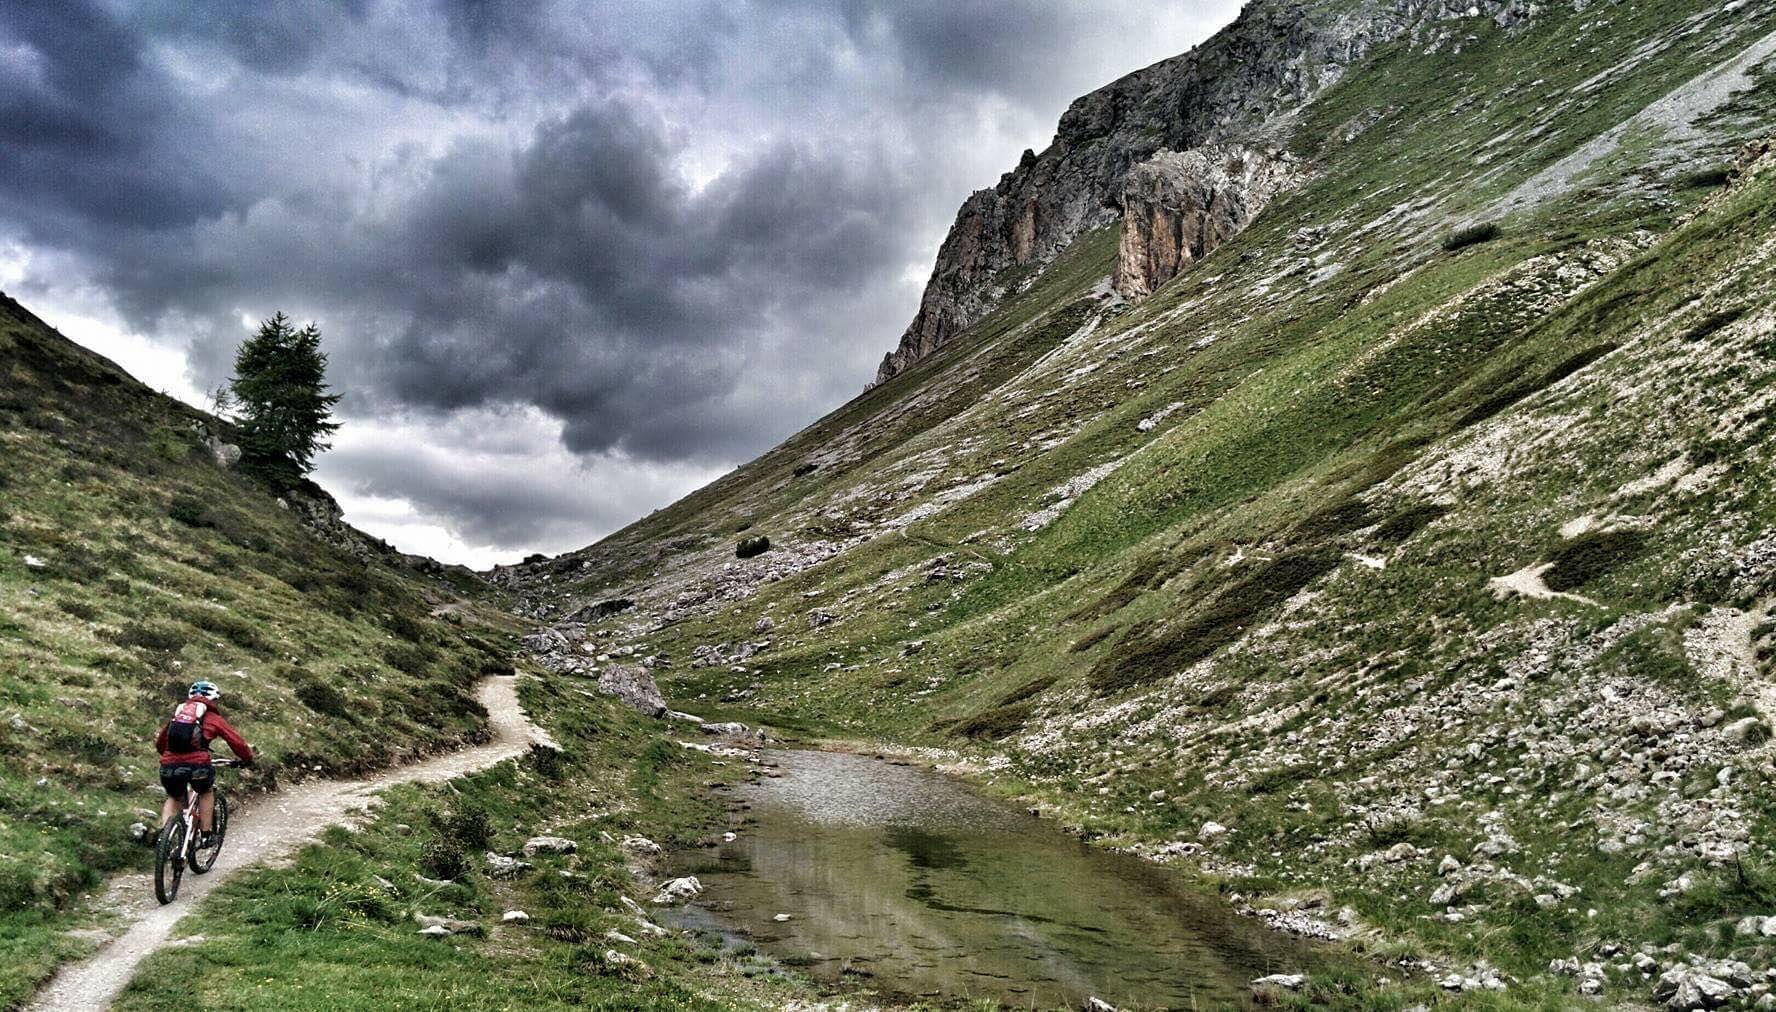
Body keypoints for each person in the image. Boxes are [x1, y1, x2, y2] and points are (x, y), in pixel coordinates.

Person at [155, 680, 254, 846]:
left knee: (174, 796)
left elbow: (160, 744)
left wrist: (170, 757)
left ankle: (164, 839)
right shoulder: (213, 717)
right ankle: (206, 834)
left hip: (169, 765)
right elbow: (236, 741)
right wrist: (247, 759)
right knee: (205, 792)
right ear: (213, 700)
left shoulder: (178, 715)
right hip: (198, 766)